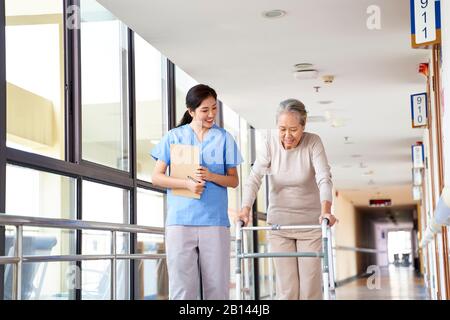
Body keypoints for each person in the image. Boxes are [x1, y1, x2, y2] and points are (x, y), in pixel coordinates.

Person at [238, 98, 337, 300]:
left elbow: (323, 178)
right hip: (279, 226)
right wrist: (245, 209)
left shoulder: (313, 142)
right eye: (282, 129)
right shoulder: (269, 142)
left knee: (310, 289)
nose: (287, 135)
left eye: (293, 129)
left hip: (310, 226)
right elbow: (254, 178)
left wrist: (326, 209)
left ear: (303, 125)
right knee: (287, 290)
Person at [151, 84, 243, 300]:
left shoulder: (224, 138)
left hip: (215, 221)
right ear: (191, 111)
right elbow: (156, 177)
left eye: (214, 109)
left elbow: (234, 180)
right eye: (204, 110)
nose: (211, 115)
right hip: (180, 222)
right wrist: (187, 184)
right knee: (182, 289)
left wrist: (211, 176)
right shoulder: (173, 137)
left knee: (217, 288)